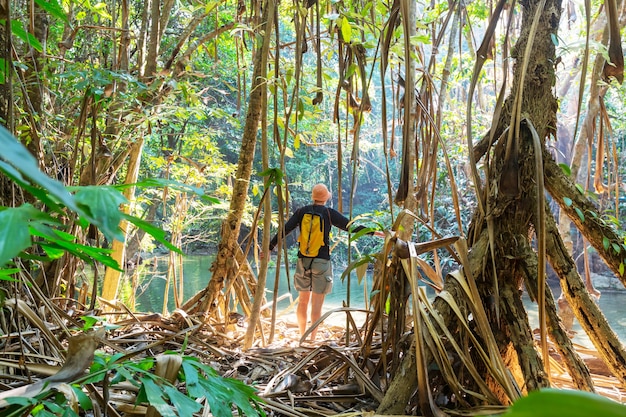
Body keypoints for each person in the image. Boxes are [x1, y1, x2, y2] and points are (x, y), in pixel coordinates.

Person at [265, 183, 383, 341]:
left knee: (302, 300)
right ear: (326, 196)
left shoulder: (301, 211)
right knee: (317, 303)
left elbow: (285, 229)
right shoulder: (328, 213)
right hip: (321, 261)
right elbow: (351, 227)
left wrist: (269, 247)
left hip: (302, 260)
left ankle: (302, 335)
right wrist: (376, 233)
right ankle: (312, 338)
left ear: (313, 196)